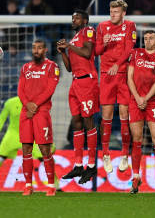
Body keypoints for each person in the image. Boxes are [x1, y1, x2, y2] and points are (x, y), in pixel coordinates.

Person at [126, 30, 155, 193]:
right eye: (145, 38)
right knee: (137, 139)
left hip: (152, 102)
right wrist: (138, 98)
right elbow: (129, 77)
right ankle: (136, 177)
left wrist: (145, 99)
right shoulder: (136, 53)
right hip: (135, 101)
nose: (148, 41)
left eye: (151, 38)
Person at [57, 10, 99, 184]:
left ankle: (91, 165)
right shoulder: (74, 39)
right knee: (76, 122)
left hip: (87, 82)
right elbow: (68, 68)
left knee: (89, 121)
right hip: (75, 82)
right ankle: (78, 164)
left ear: (85, 20)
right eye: (72, 17)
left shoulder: (88, 31)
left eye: (77, 18)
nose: (74, 20)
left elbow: (88, 53)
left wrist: (69, 47)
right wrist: (63, 53)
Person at [95, 0, 136, 174]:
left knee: (125, 115)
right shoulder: (102, 26)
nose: (113, 14)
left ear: (123, 13)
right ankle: (105, 155)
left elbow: (129, 50)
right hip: (106, 76)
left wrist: (117, 65)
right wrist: (103, 43)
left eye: (116, 12)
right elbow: (96, 51)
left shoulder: (130, 26)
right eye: (111, 11)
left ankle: (125, 154)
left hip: (123, 76)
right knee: (106, 117)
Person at [0, 96, 56, 191]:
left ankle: (56, 186)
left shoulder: (37, 102)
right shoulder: (10, 103)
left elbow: (44, 121)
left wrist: (50, 141)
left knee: (45, 160)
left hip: (32, 134)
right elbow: (1, 119)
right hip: (13, 136)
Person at [18, 40, 60, 196]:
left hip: (41, 112)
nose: (36, 50)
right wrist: (28, 105)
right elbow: (20, 90)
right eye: (34, 48)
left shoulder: (52, 67)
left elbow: (50, 89)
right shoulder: (25, 68)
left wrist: (35, 105)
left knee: (45, 149)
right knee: (26, 149)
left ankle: (50, 185)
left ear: (45, 50)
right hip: (26, 112)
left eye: (39, 48)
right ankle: (28, 185)